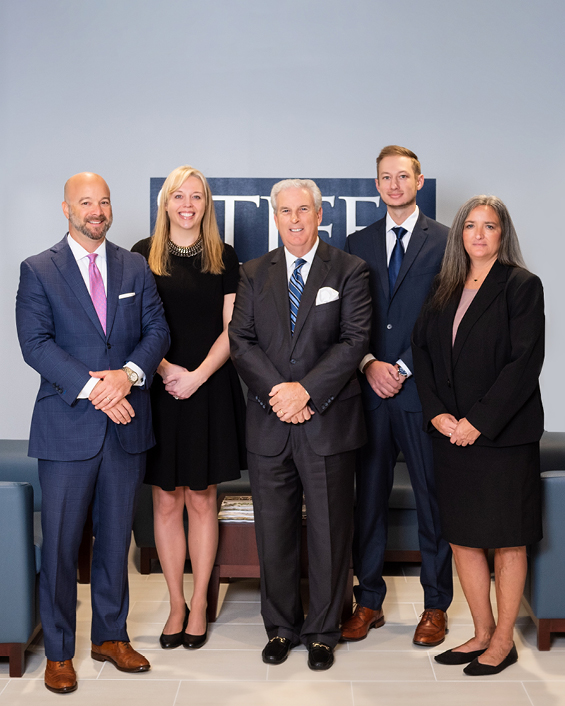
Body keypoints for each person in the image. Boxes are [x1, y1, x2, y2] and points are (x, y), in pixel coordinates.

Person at [15, 172, 170, 694]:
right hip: (67, 430)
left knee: (115, 542)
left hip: (126, 430)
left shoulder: (134, 264)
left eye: (103, 202)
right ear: (66, 208)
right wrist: (96, 389)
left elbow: (157, 331)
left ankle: (111, 636)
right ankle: (60, 651)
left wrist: (126, 377)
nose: (97, 211)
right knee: (60, 546)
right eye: (86, 202)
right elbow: (35, 344)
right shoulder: (39, 269)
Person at [229, 178, 371, 671]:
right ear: (275, 216)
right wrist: (279, 394)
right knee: (274, 531)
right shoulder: (252, 272)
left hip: (327, 420)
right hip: (270, 422)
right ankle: (281, 628)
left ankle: (324, 632)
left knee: (331, 531)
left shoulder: (349, 269)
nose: (294, 219)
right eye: (285, 211)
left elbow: (354, 341)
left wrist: (305, 391)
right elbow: (241, 340)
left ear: (319, 214)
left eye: (303, 210)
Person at [412, 195, 544, 675]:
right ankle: (482, 631)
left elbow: (523, 364)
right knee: (464, 539)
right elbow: (420, 352)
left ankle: (504, 641)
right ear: (459, 235)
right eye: (471, 226)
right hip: (450, 434)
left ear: (502, 233)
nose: (479, 235)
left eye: (490, 226)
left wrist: (477, 421)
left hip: (502, 437)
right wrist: (439, 415)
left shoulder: (522, 286)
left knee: (507, 540)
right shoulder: (444, 287)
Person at [342, 146, 453, 646]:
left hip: (420, 393)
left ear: (419, 180)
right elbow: (348, 317)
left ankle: (435, 606)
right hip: (368, 393)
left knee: (433, 500)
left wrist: (403, 365)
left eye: (402, 176)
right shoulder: (357, 241)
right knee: (366, 501)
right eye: (385, 177)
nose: (394, 184)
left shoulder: (447, 241)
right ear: (377, 183)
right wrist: (368, 364)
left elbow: (446, 315)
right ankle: (368, 602)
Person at [132, 166, 245, 650]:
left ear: (206, 204)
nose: (187, 204)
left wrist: (196, 375)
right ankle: (175, 603)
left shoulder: (225, 257)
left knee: (201, 498)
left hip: (210, 388)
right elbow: (134, 325)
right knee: (164, 500)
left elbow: (233, 329)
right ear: (165, 202)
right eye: (178, 195)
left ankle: (200, 603)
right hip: (158, 389)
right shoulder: (141, 255)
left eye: (196, 196)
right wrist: (165, 372)